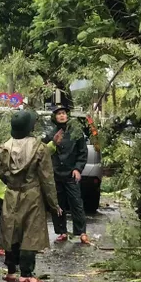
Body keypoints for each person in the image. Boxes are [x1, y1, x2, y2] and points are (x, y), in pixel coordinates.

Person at [0, 110, 60, 282]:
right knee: (30, 233)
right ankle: (26, 273)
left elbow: (1, 172)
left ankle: (11, 271)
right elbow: (47, 178)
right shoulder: (40, 148)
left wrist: (11, 182)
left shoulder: (4, 148)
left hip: (11, 193)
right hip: (32, 194)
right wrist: (54, 204)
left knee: (11, 230)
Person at [43, 104, 90, 245]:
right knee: (58, 204)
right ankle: (61, 231)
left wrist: (78, 169)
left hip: (71, 174)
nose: (62, 115)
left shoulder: (76, 132)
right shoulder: (51, 134)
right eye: (58, 114)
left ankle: (81, 232)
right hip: (56, 174)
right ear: (55, 117)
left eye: (63, 113)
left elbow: (83, 152)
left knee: (76, 203)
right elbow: (44, 152)